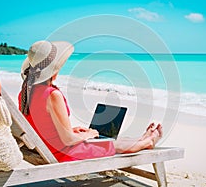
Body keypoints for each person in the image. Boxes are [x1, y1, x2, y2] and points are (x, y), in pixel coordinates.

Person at [19, 40, 163, 162]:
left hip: (45, 147)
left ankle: (142, 139)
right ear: (54, 72)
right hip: (62, 152)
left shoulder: (25, 93)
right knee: (111, 144)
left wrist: (73, 131)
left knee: (105, 140)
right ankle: (147, 142)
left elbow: (41, 125)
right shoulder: (52, 95)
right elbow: (68, 140)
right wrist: (87, 135)